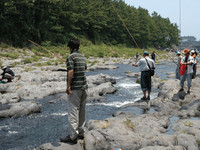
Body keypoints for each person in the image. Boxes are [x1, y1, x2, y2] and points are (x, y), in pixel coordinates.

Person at [60, 39, 88, 144]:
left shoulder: (70, 57)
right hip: (84, 87)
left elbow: (71, 71)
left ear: (70, 47)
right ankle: (81, 133)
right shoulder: (82, 57)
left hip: (75, 88)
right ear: (79, 47)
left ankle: (73, 136)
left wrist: (68, 86)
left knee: (73, 111)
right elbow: (85, 68)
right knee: (82, 110)